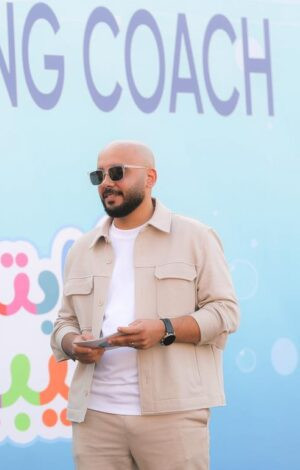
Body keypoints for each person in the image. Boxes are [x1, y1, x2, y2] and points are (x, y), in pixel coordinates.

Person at [51, 141, 239, 469]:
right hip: (95, 418)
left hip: (172, 416)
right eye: (99, 175)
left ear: (150, 178)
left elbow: (225, 312)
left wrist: (164, 329)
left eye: (117, 172)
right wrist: (73, 343)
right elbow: (64, 323)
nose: (106, 182)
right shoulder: (83, 248)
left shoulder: (195, 237)